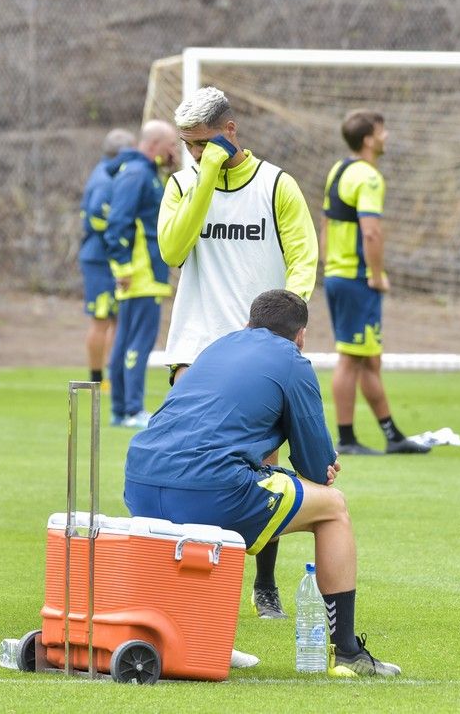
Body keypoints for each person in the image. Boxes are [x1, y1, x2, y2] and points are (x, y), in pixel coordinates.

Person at [124, 289, 401, 678]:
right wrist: (323, 469)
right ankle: (349, 653)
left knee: (208, 528)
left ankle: (201, 640)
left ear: (248, 322)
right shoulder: (293, 361)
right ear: (300, 335)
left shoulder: (216, 348)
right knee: (333, 508)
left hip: (139, 480)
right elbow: (315, 465)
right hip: (212, 487)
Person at [158, 85, 318, 620]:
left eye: (204, 143)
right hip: (194, 345)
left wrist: (289, 326)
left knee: (263, 465)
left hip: (259, 345)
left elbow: (302, 258)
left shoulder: (277, 185)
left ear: (230, 131)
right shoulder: (182, 185)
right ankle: (191, 585)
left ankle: (265, 581)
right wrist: (204, 177)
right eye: (188, 145)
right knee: (188, 462)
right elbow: (174, 251)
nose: (196, 154)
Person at [321, 111, 427, 456]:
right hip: (356, 278)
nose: (386, 136)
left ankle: (392, 435)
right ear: (368, 138)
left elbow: (325, 222)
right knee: (351, 358)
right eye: (382, 131)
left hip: (338, 275)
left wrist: (326, 264)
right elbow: (371, 230)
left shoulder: (339, 169)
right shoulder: (368, 177)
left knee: (369, 359)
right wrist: (376, 274)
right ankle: (347, 439)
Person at [102, 121, 178, 428]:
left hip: (143, 272)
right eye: (171, 145)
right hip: (140, 273)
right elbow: (117, 223)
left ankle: (122, 410)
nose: (175, 151)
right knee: (138, 341)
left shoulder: (147, 173)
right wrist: (124, 268)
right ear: (154, 144)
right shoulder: (136, 174)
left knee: (126, 340)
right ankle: (132, 409)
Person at [79, 128, 135, 390]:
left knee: (117, 320)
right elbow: (95, 217)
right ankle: (97, 378)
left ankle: (114, 377)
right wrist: (123, 227)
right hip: (100, 259)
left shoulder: (112, 173)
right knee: (102, 318)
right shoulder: (105, 179)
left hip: (109, 257)